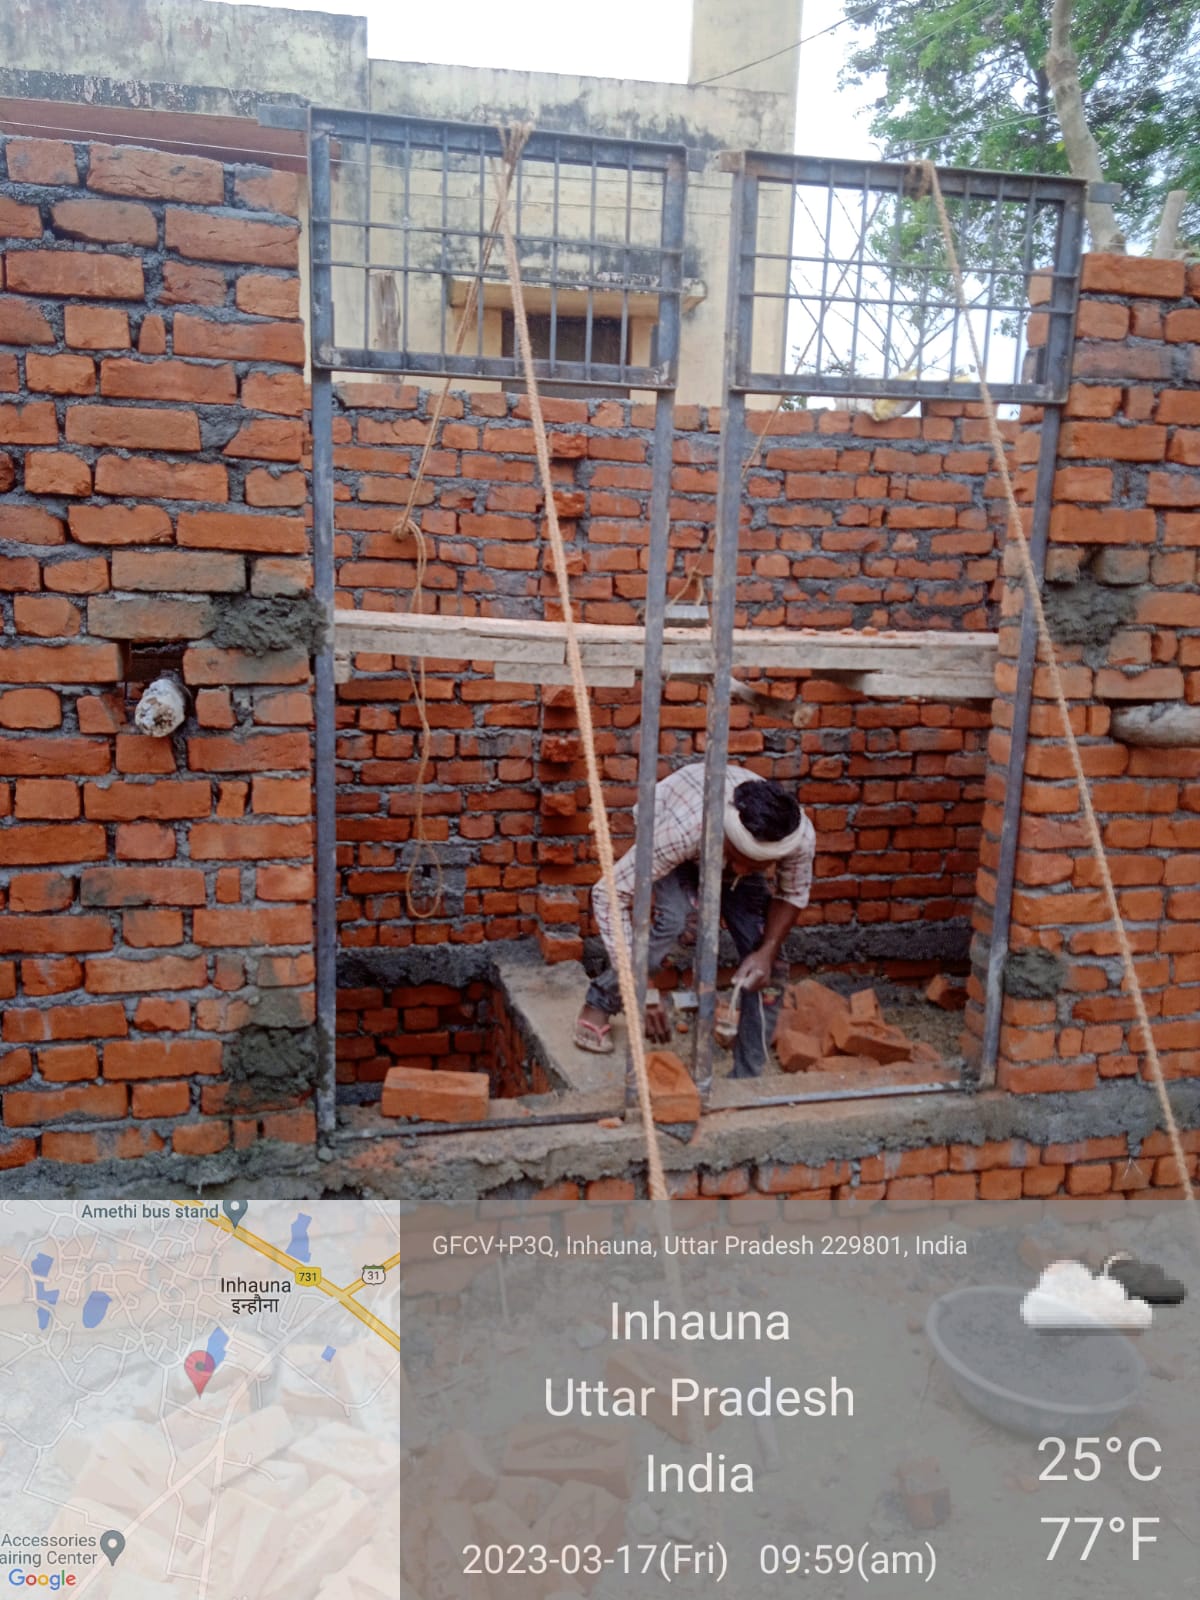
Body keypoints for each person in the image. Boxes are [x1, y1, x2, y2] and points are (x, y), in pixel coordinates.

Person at [575, 762, 814, 1078]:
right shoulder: (682, 831)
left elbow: (792, 893)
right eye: (739, 858)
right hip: (677, 831)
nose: (742, 871)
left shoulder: (797, 839)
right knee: (678, 922)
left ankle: (748, 1074)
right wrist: (642, 990)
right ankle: (601, 1000)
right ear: (726, 835)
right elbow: (608, 894)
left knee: (769, 964)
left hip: (724, 844)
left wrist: (767, 951)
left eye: (756, 865)